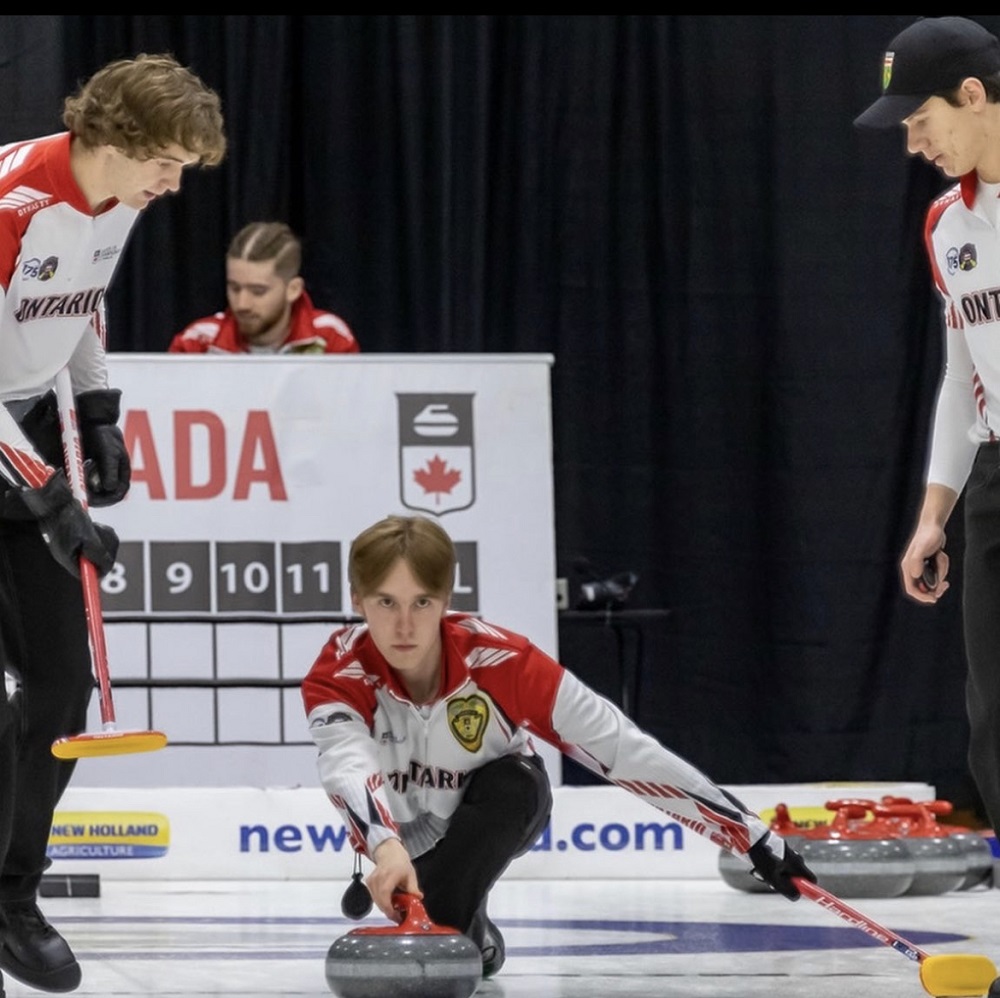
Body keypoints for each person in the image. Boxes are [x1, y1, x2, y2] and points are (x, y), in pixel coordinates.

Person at [301, 514, 816, 981]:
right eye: (385, 603)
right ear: (356, 599)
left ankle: (452, 926)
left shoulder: (503, 662)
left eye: (422, 603)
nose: (405, 626)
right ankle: (469, 929)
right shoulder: (338, 674)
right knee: (437, 901)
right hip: (397, 834)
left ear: (446, 599)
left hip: (495, 812)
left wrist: (749, 837)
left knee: (515, 782)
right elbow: (347, 762)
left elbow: (621, 749)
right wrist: (386, 848)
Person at [0, 54, 226, 995]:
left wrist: (98, 409)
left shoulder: (119, 201)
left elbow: (75, 301)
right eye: (166, 164)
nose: (173, 188)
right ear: (113, 140)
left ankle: (12, 896)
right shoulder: (11, 200)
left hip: (27, 428)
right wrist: (49, 494)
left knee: (61, 687)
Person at [855, 16, 1000, 835]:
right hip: (995, 479)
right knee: (994, 733)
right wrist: (932, 515)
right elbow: (962, 376)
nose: (915, 145)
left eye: (922, 121)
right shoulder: (948, 224)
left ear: (973, 96)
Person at [167, 221, 359, 354]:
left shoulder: (330, 338)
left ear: (293, 289)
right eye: (234, 288)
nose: (242, 304)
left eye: (258, 291)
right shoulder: (196, 343)